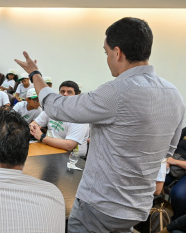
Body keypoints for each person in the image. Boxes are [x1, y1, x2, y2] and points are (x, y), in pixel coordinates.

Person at [15, 17, 185, 232]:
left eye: (106, 53)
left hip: (100, 205)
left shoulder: (117, 91)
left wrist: (35, 74)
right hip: (138, 206)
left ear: (117, 52)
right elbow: (168, 150)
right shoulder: (174, 95)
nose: (107, 58)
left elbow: (57, 107)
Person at [29, 81, 89, 155]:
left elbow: (69, 145)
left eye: (69, 92)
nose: (65, 94)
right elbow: (34, 123)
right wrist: (33, 127)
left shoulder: (80, 117)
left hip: (70, 156)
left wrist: (42, 137)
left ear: (77, 96)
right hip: (49, 147)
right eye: (62, 91)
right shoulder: (52, 108)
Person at [165, 127, 186, 220]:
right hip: (172, 165)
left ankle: (176, 223)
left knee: (179, 195)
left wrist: (175, 162)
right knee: (153, 181)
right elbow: (172, 145)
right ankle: (151, 215)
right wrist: (167, 160)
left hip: (179, 166)